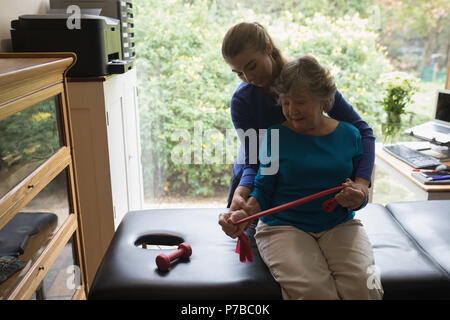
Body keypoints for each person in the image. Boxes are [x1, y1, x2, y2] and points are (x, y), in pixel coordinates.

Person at [219, 55, 383, 300]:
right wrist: (246, 214)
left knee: (366, 288)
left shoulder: (350, 135)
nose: (291, 111)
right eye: (285, 103)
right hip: (282, 227)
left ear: (322, 101)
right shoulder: (275, 137)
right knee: (315, 292)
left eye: (300, 102)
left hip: (340, 224)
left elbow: (360, 197)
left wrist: (357, 196)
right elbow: (263, 189)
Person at [221, 22, 375, 212]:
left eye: (252, 66)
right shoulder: (242, 101)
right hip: (254, 182)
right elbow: (254, 161)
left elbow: (363, 132)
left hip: (296, 181)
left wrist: (361, 183)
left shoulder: (307, 80)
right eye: (239, 73)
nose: (248, 78)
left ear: (268, 47)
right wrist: (242, 193)